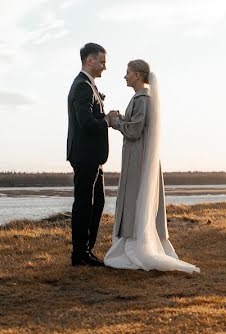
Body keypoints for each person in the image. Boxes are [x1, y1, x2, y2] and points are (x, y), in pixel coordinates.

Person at [103, 60, 200, 273]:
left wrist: (114, 121)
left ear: (137, 75)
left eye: (127, 73)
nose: (125, 76)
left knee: (135, 195)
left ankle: (135, 245)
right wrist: (121, 118)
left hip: (138, 158)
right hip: (141, 155)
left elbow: (134, 131)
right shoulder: (144, 100)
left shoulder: (142, 100)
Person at [66, 42, 112, 267]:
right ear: (89, 61)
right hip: (85, 155)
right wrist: (107, 120)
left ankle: (86, 250)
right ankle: (80, 253)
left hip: (93, 156)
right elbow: (85, 123)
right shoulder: (83, 86)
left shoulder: (89, 85)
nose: (104, 66)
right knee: (84, 203)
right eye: (102, 62)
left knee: (97, 202)